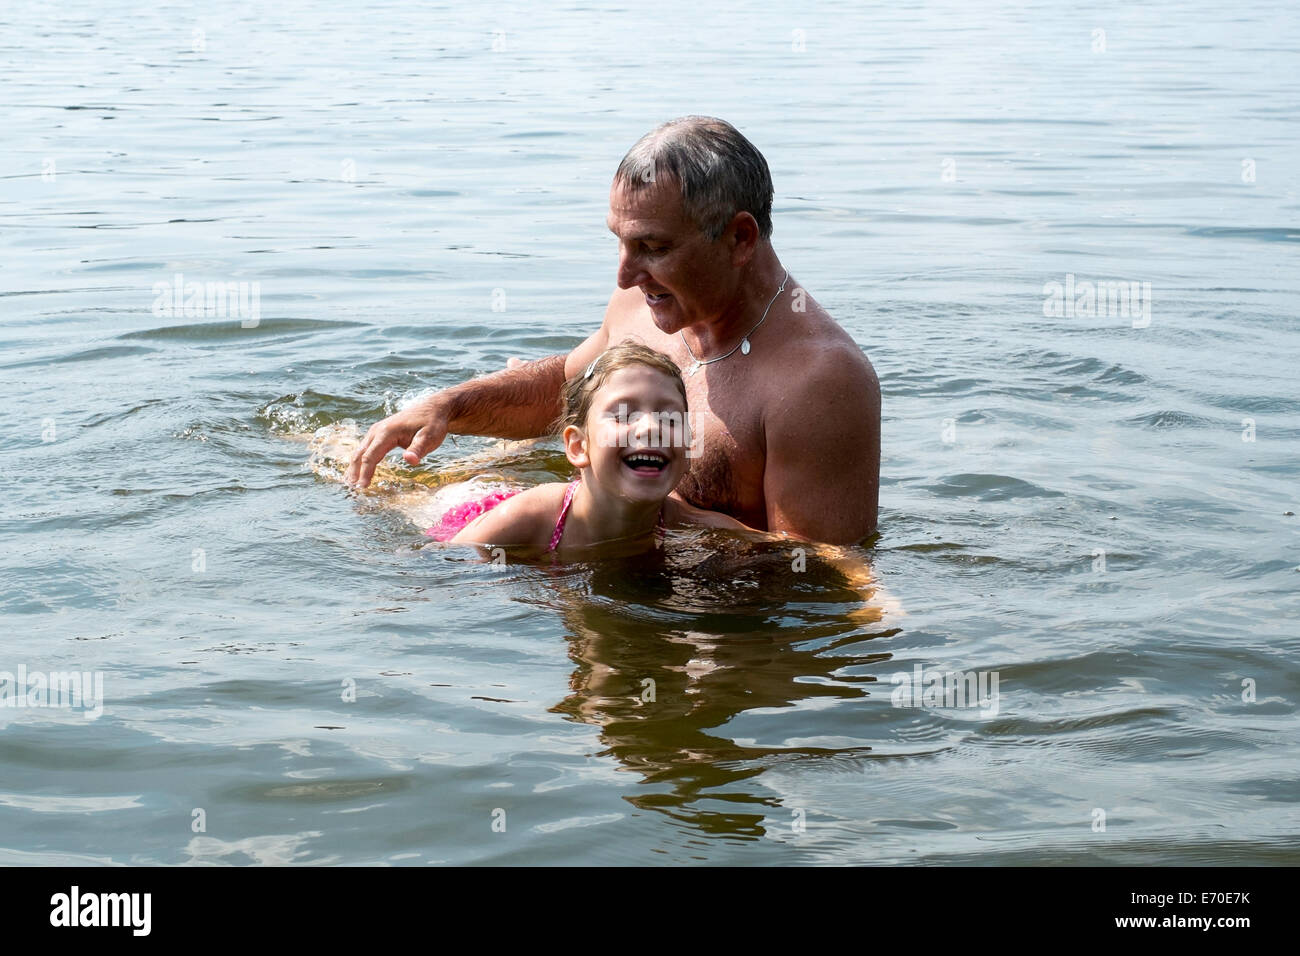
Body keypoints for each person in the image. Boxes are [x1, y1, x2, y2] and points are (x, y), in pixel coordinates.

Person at [346, 116, 881, 545]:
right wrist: (449, 407)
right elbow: (568, 389)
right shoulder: (642, 300)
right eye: (620, 243)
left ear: (740, 239)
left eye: (654, 247)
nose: (624, 275)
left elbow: (814, 585)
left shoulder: (818, 382)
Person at [432, 341, 749, 560]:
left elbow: (783, 549)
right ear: (578, 446)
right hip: (470, 509)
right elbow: (438, 563)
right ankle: (515, 442)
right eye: (624, 415)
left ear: (689, 447)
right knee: (418, 493)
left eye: (668, 418)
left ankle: (525, 444)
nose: (651, 427)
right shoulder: (526, 517)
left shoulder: (691, 524)